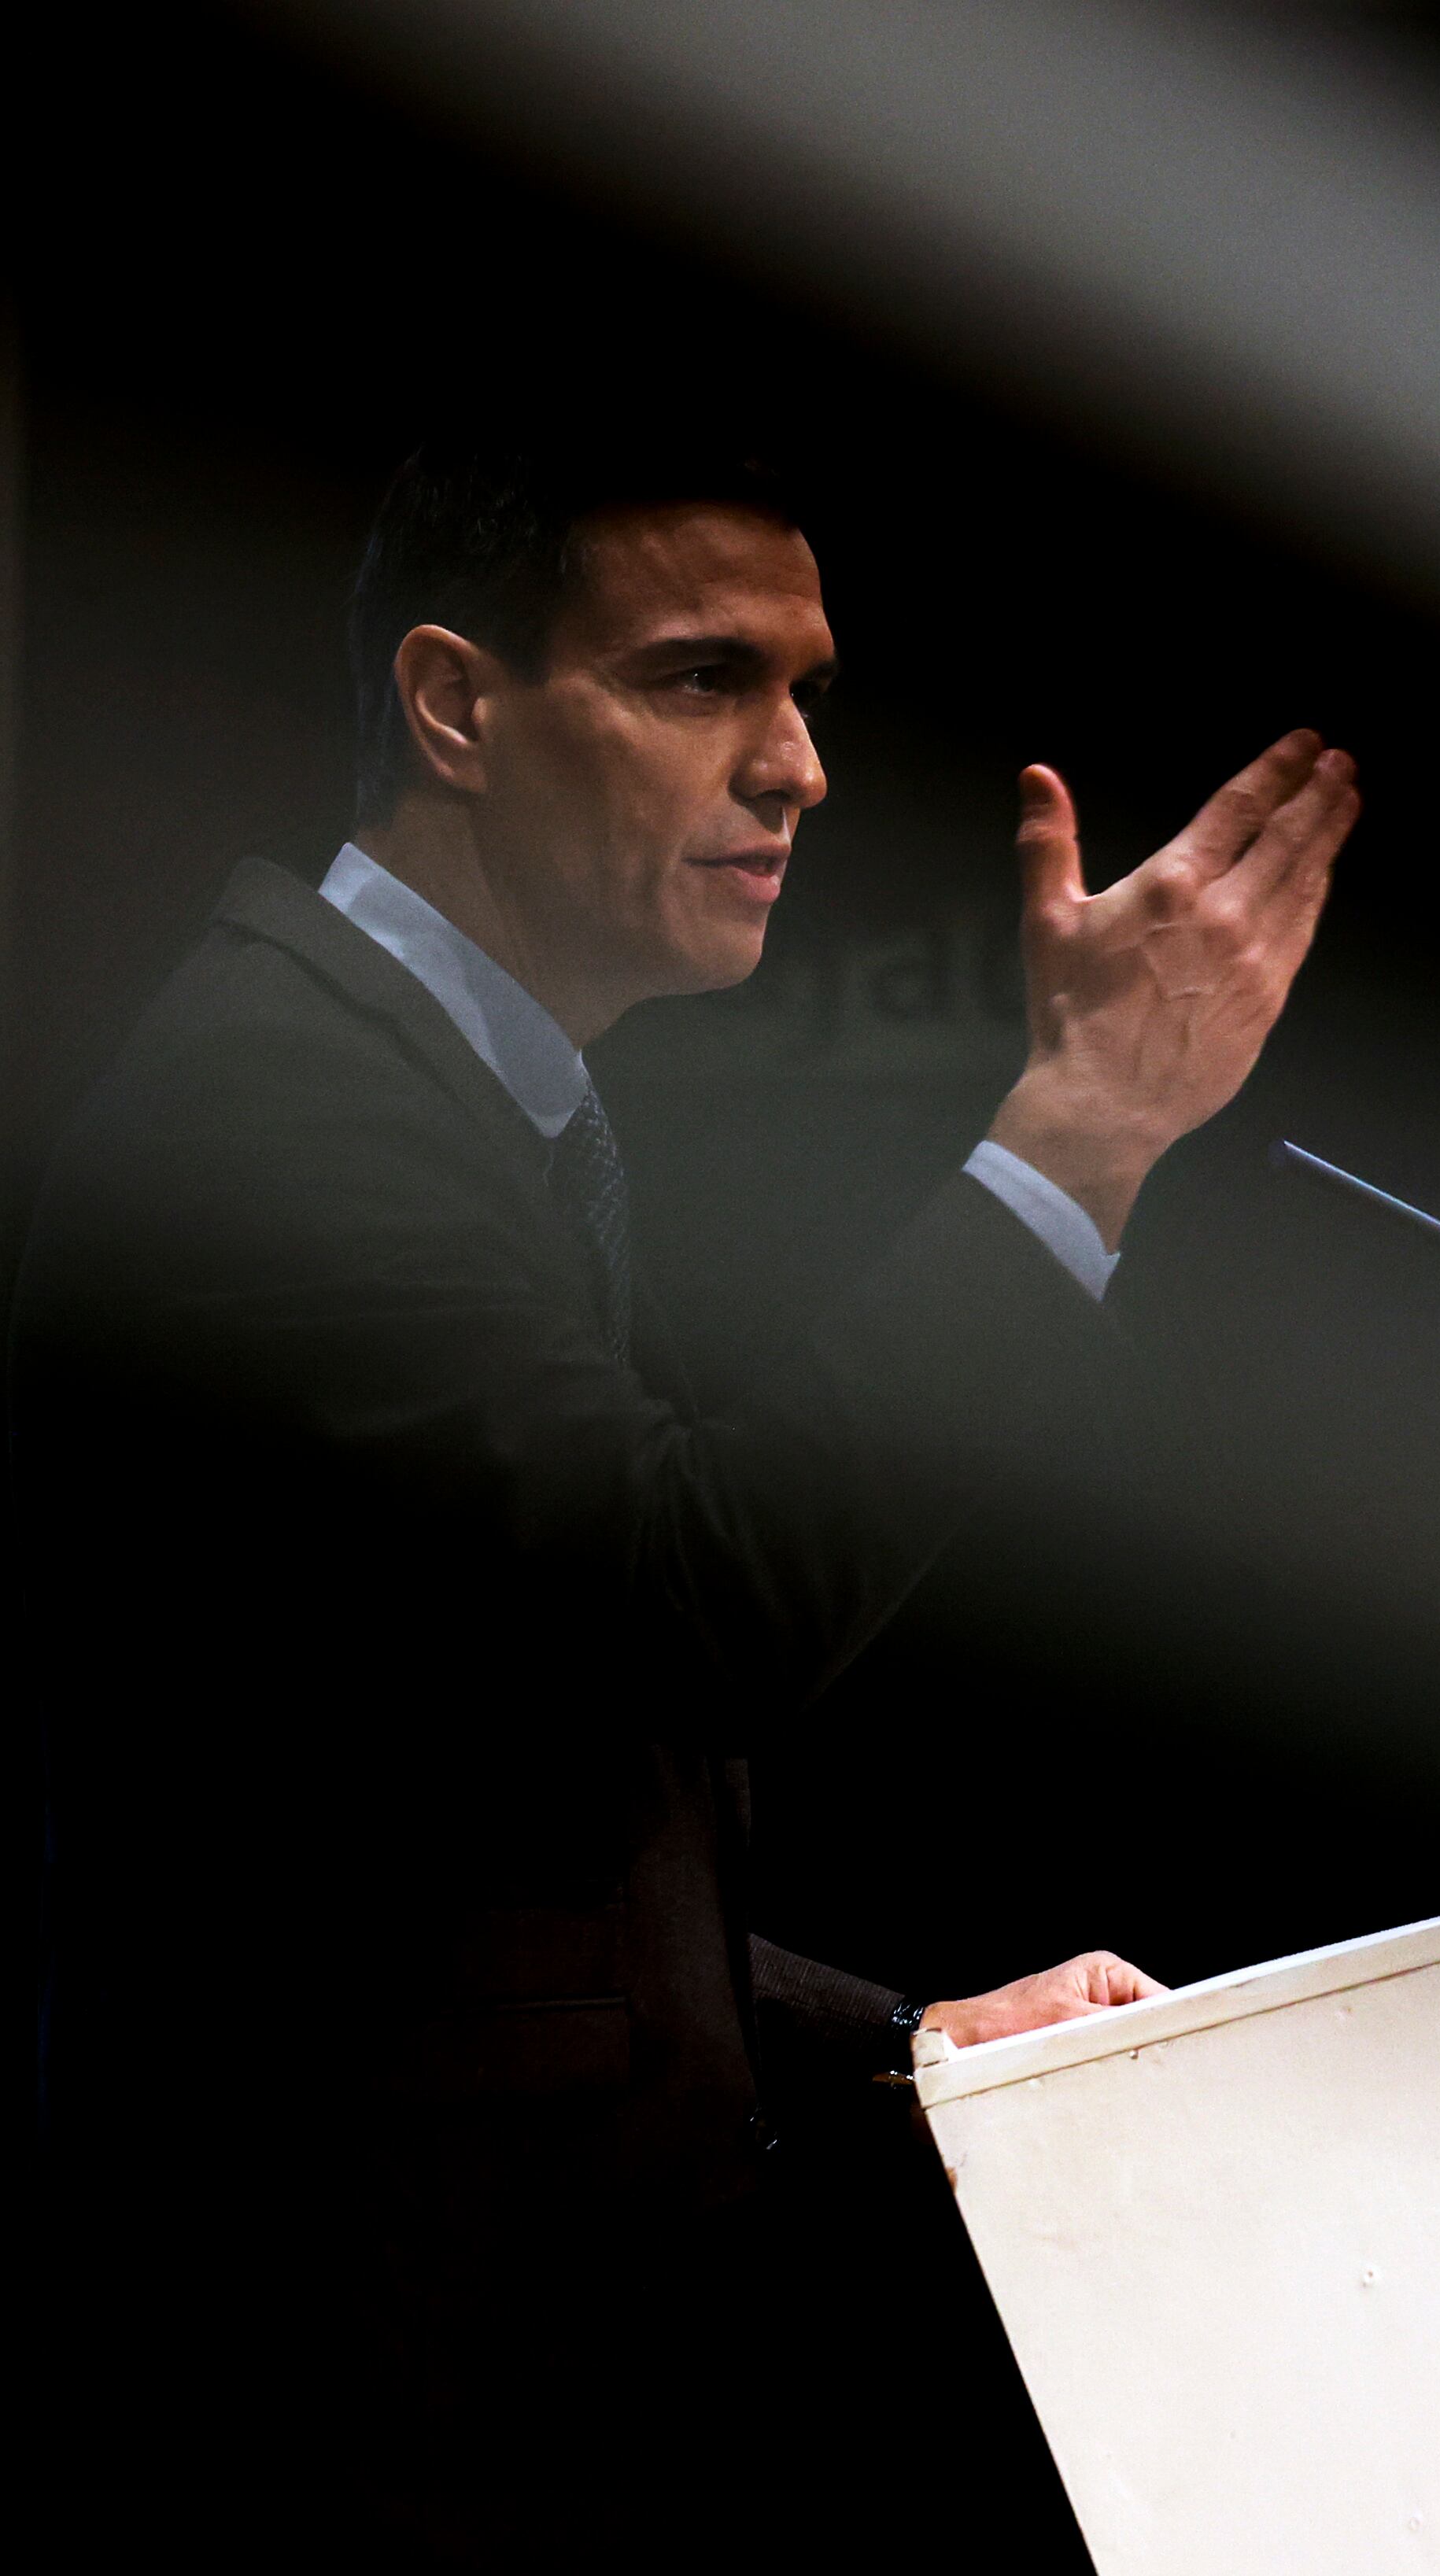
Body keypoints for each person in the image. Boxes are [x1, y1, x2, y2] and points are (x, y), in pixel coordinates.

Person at [10, 428, 1359, 2563]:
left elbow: (501, 1829)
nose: (798, 763)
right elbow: (689, 1602)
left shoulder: (452, 1093)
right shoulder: (272, 1114)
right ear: (457, 706)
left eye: (807, 689)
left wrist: (904, 2032)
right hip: (344, 2442)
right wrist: (1081, 1134)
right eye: (701, 678)